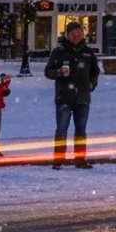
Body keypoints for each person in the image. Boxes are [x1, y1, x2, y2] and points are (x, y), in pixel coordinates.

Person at [45, 21, 100, 170]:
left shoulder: (88, 52)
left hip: (82, 97)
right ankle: (58, 160)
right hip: (64, 97)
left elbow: (95, 72)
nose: (76, 36)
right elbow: (48, 71)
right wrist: (58, 73)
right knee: (61, 129)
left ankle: (80, 159)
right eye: (73, 34)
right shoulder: (59, 51)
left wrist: (91, 85)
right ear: (68, 35)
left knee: (81, 130)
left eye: (79, 33)